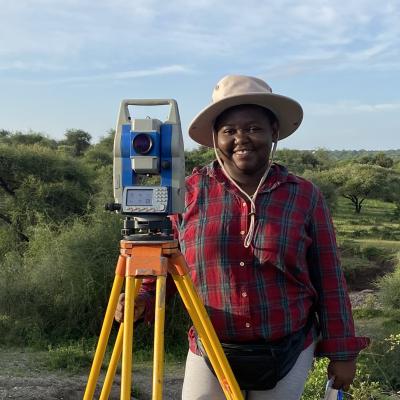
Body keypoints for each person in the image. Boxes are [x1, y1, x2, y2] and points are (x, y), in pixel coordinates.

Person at [115, 75, 370, 400]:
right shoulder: (186, 195)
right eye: (229, 131)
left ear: (273, 132)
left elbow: (329, 279)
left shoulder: (303, 196)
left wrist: (342, 351)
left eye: (253, 128)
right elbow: (160, 263)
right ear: (214, 138)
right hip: (210, 346)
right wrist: (142, 302)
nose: (241, 139)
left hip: (288, 347)